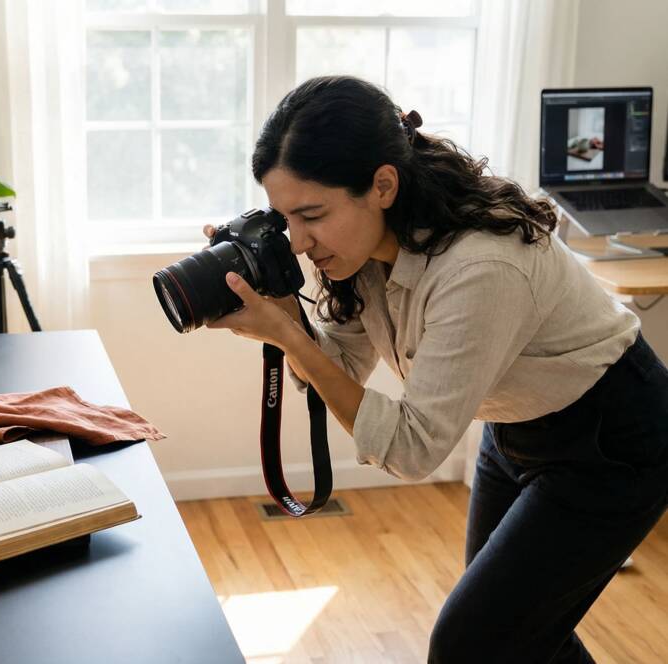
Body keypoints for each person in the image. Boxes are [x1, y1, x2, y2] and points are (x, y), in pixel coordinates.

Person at [204, 75, 668, 664]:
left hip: (613, 440)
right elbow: (339, 363)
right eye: (283, 218)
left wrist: (288, 335)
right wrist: (277, 304)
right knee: (518, 636)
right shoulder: (362, 249)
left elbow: (412, 449)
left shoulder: (481, 268)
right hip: (515, 429)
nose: (297, 240)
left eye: (312, 214)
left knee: (473, 644)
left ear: (382, 185)